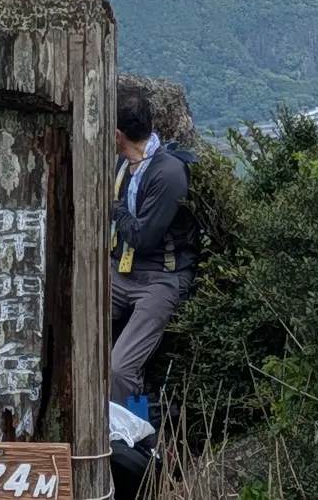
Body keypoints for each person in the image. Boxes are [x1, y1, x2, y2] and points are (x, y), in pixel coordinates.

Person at [109, 84, 197, 409]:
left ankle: (126, 442)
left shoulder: (167, 174)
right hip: (120, 272)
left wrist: (113, 206)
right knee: (76, 336)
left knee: (119, 368)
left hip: (160, 279)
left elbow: (144, 239)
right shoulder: (124, 166)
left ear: (118, 135)